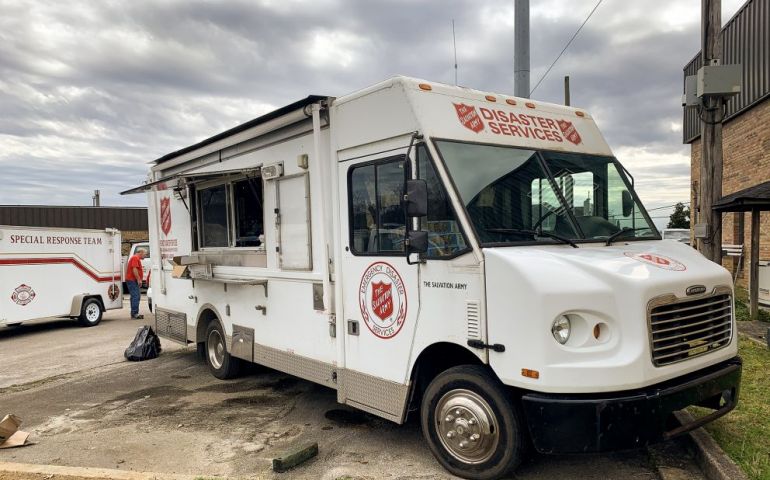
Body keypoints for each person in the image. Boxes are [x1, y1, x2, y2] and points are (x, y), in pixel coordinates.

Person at [125, 248, 147, 319]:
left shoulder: (135, 258)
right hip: (132, 280)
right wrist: (139, 279)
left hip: (132, 280)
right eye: (145, 254)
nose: (145, 256)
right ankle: (135, 314)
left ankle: (134, 313)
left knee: (134, 296)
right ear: (140, 252)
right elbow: (134, 269)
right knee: (136, 296)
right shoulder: (135, 258)